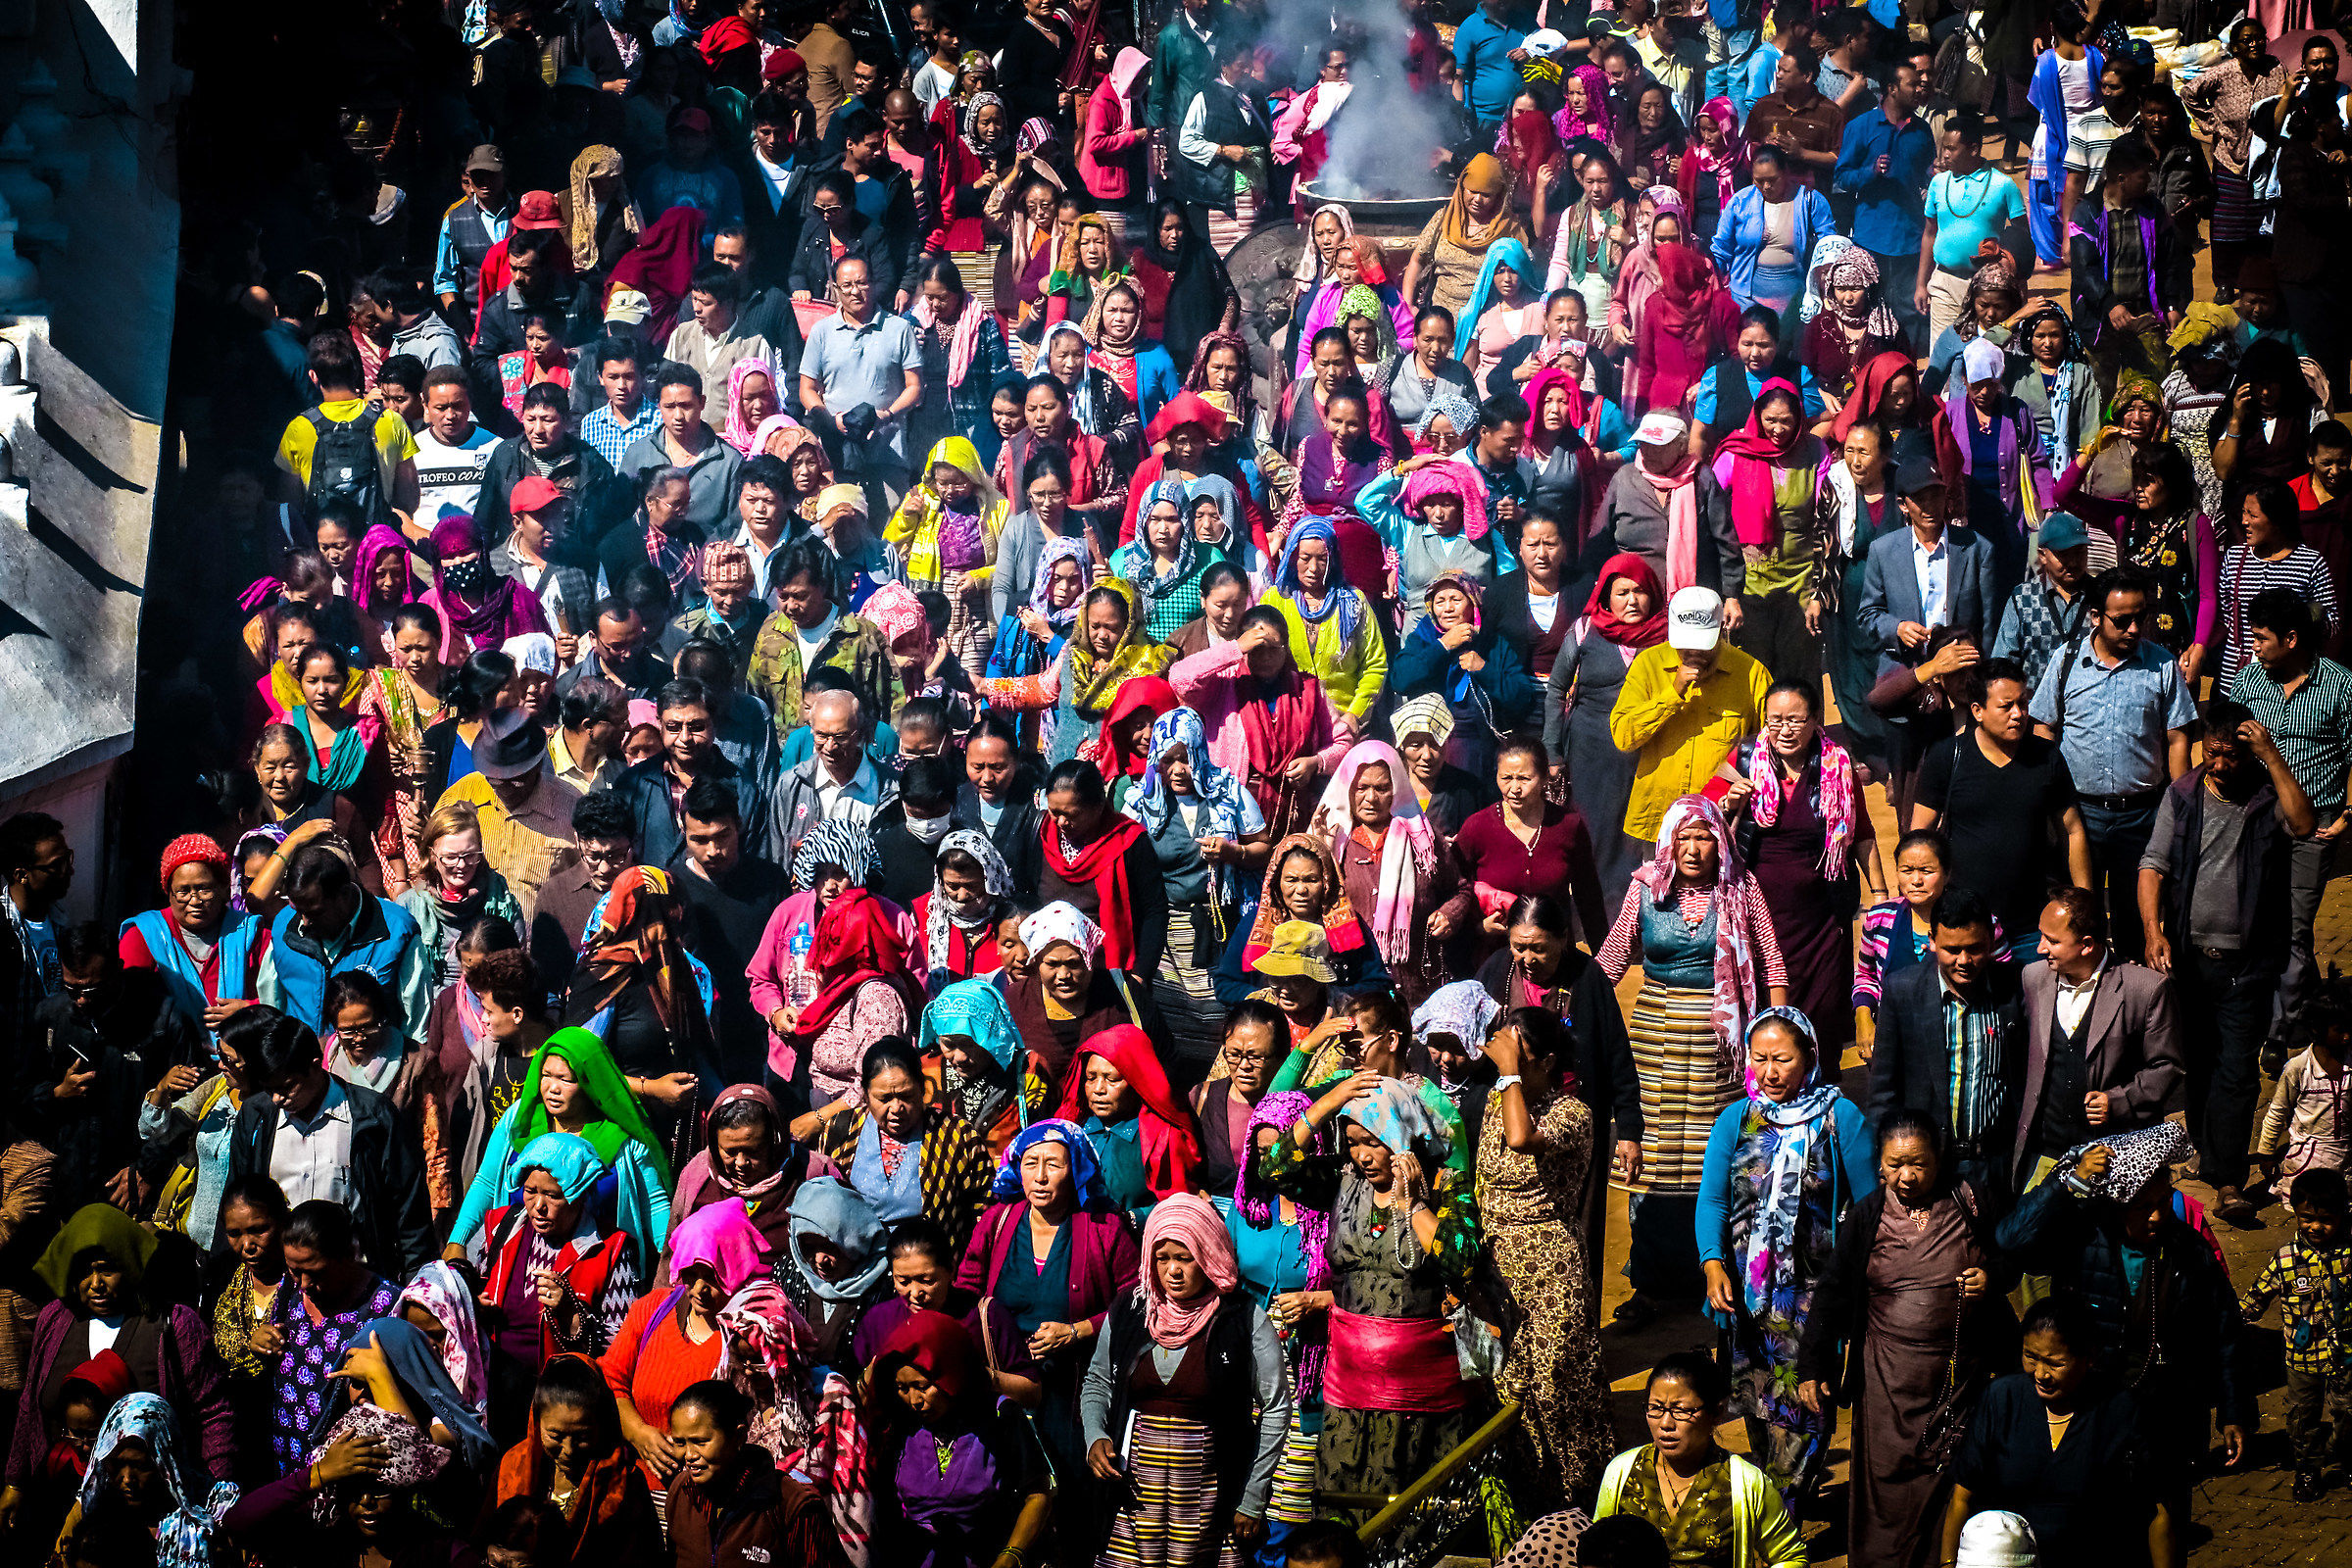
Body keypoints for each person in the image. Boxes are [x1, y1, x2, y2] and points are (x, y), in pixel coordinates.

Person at [1988, 1131, 2247, 1561]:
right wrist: (2065, 1182)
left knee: (2166, 1514)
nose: (2156, 1217)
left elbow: (2225, 1329)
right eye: (2142, 1207)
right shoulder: (2082, 1240)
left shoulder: (2190, 1250)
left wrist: (2235, 1411)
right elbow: (2013, 1239)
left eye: (2164, 1201)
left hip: (2168, 1413)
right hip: (2095, 1413)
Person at [1794, 1107, 2016, 1568]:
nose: (1907, 1176)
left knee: (1953, 1479)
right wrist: (1813, 1367)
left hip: (1957, 1378)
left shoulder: (1970, 1201)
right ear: (1879, 1164)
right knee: (1884, 1486)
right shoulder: (1868, 1216)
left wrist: (1991, 1277)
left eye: (1918, 1163)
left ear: (1939, 1160)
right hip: (1885, 1382)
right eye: (1895, 1165)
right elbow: (1833, 1293)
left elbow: (2010, 1257)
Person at [1595, 795, 1787, 1317]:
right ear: (1668, 842)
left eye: (1704, 837)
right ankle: (1649, 1282)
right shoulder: (1644, 888)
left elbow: (1772, 966)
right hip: (1653, 1037)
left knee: (1712, 1157)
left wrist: (1777, 1035)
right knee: (1650, 1157)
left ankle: (1715, 1270)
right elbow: (1613, 958)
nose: (1694, 849)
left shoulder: (1741, 888)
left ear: (1720, 840)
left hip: (1719, 1046)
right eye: (1684, 838)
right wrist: (1573, 1013)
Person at [1262, 1074, 1480, 1524]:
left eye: (1375, 1142)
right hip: (1351, 1391)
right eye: (1354, 1142)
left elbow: (1462, 1260)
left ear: (1402, 1133)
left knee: (1411, 1517)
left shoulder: (1443, 1184)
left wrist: (1414, 1207)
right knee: (1342, 1512)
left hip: (1420, 1397)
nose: (1362, 1156)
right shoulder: (1344, 1183)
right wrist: (1326, 1105)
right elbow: (1275, 1169)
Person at [2139, 700, 2314, 1226]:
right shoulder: (2183, 796)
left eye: (2231, 757)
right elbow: (2153, 865)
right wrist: (2153, 931)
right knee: (2198, 1062)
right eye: (2211, 755)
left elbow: (2303, 823)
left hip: (2250, 965)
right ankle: (2206, 1150)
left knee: (2237, 1072)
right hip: (2192, 964)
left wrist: (2272, 756)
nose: (2219, 766)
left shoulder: (2266, 795)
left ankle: (2227, 1176)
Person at [1695, 1008, 1874, 1504]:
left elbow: (1868, 1208)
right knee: (1756, 1406)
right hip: (1747, 1301)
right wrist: (1713, 1263)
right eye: (1759, 1059)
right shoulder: (1737, 1118)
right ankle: (1773, 1505)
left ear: (1810, 1057)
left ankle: (1779, 1515)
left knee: (1804, 1410)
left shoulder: (1841, 1119)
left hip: (1812, 1302)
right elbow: (1713, 1199)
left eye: (1782, 1060)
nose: (1769, 1072)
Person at [1079, 1192, 1290, 1568]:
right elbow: (1098, 1379)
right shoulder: (1131, 1309)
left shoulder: (1241, 1318)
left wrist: (1253, 1496)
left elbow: (1275, 1408)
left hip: (1210, 1498)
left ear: (1208, 1254)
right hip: (1135, 1497)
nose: (1172, 1271)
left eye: (1185, 1258)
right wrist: (1095, 1434)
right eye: (1162, 1258)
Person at [0, 1203, 234, 1522]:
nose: (96, 1283)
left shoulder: (173, 1325)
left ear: (131, 1266)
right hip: (60, 1494)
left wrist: (217, 1497)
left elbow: (213, 1413)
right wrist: (15, 1482)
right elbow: (30, 1403)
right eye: (85, 1271)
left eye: (107, 1269)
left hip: (146, 1506)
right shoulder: (56, 1319)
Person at [956, 1120, 1143, 1489]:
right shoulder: (998, 1220)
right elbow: (967, 1288)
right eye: (1030, 1163)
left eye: (1054, 1165)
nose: (1040, 1176)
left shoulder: (1105, 1227)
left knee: (1069, 1489)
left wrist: (1077, 1331)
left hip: (1072, 1390)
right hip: (1005, 1387)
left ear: (1077, 1169)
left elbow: (1137, 1301)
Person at [2027, 568, 2195, 965]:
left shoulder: (2162, 666)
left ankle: (2133, 1003)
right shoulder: (2066, 661)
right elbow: (2044, 727)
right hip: (2077, 817)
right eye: (2122, 620)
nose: (2135, 628)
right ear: (2095, 617)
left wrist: (2181, 806)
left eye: (2142, 617)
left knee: (2135, 921)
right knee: (2077, 917)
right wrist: (2047, 801)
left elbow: (2177, 739)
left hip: (2142, 817)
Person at [1478, 1007, 1612, 1499]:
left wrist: (1510, 1071)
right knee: (1513, 1394)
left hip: (1551, 1276)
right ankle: (1532, 1510)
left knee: (1560, 1394)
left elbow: (1521, 1139)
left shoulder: (1572, 1114)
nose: (1506, 1067)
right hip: (1500, 1277)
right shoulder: (1500, 1101)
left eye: (1521, 1057)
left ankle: (1581, 1512)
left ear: (1549, 1061)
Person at [445, 1027, 674, 1274]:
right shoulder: (519, 1120)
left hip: (595, 1269)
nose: (553, 1088)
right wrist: (457, 1241)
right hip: (517, 1263)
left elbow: (654, 1204)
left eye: (566, 1079)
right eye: (546, 1075)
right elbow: (486, 1183)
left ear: (590, 1080)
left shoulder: (622, 1138)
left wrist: (674, 1261)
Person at [2231, 590, 2352, 1060]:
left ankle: (2280, 1036)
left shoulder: (2338, 686)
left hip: (2314, 827)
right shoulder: (2247, 681)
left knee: (2296, 929)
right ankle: (2291, 1007)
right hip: (2259, 824)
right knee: (2262, 921)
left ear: (2292, 638)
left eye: (2262, 638)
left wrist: (2345, 819)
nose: (2255, 646)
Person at [1911, 658, 2090, 959]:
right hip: (1967, 932)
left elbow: (2072, 831)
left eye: (2023, 703)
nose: (2018, 714)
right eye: (2006, 706)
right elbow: (1919, 836)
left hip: (2033, 928)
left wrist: (2086, 902)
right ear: (1977, 711)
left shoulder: (2046, 759)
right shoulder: (1947, 757)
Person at [867, 1310, 1054, 1568]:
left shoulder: (1000, 1416)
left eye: (923, 1386)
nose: (915, 1400)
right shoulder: (900, 1426)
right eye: (903, 1389)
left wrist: (1012, 1554)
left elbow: (1039, 1493)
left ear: (951, 1373)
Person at [1592, 1353, 1807, 1567]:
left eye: (1681, 1410)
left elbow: (1790, 1557)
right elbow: (1597, 1550)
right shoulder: (1621, 1473)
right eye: (1656, 1408)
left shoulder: (1747, 1484)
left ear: (1716, 1413)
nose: (1666, 1423)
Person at [1607, 586, 1772, 855]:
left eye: (1702, 643)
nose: (1693, 651)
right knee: (1657, 896)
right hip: (1658, 821)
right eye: (1685, 642)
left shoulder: (1752, 674)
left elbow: (1768, 748)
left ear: (1720, 630)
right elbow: (1624, 737)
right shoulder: (1648, 665)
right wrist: (1672, 695)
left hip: (1722, 821)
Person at [2241, 1164, 2352, 1501]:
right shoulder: (2285, 1259)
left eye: (2326, 1220)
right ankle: (2307, 1470)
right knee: (2303, 1419)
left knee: (2348, 1413)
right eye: (2306, 1218)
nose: (2315, 1227)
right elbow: (2256, 1296)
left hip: (2346, 1354)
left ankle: (2343, 1457)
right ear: (2296, 1213)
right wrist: (2233, 1321)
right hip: (2302, 1359)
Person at [663, 1380, 849, 1568]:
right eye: (680, 1443)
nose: (689, 1455)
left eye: (701, 1442)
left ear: (738, 1437)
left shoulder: (792, 1506)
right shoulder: (681, 1492)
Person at [1988, 510, 2091, 694]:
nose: (2073, 562)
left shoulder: (2100, 595)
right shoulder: (2022, 598)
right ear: (2042, 555)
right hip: (2034, 711)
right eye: (2064, 554)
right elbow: (2003, 663)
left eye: (2080, 553)